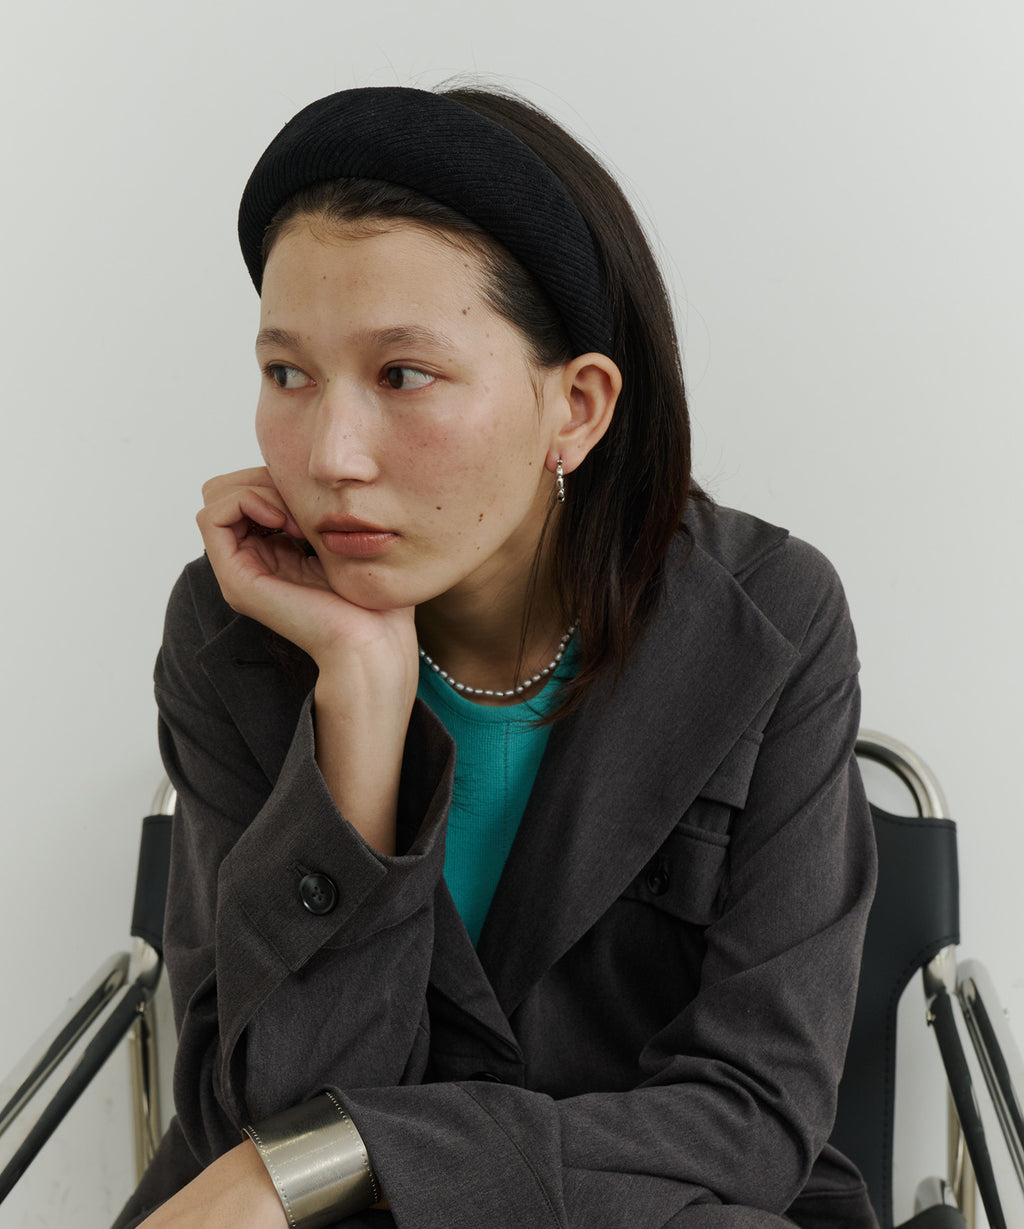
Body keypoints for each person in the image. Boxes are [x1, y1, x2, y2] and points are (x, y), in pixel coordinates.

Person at [115, 84, 878, 1229]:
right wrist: (359, 701)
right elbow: (261, 1106)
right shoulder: (236, 631)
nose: (331, 454)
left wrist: (363, 1150)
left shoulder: (765, 620)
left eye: (402, 374)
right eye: (287, 373)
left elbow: (753, 1114)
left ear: (576, 407)